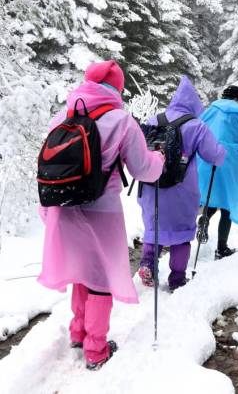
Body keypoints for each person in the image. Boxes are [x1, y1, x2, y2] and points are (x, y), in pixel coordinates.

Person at [37, 61, 165, 370]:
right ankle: (96, 348)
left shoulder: (62, 116)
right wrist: (159, 158)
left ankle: (78, 332)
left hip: (61, 207)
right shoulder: (121, 120)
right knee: (101, 278)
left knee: (82, 273)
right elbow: (143, 169)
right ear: (117, 89)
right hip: (101, 212)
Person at [137, 76, 226, 292]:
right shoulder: (197, 125)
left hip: (151, 185)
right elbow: (215, 156)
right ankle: (177, 278)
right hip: (181, 189)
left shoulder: (153, 120)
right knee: (181, 234)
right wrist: (223, 150)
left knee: (154, 226)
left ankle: (148, 264)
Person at [197, 85, 238, 260]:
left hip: (206, 160)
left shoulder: (210, 110)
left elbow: (197, 131)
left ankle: (205, 217)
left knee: (213, 194)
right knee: (228, 204)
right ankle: (221, 248)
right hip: (229, 164)